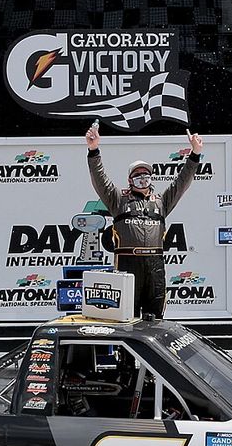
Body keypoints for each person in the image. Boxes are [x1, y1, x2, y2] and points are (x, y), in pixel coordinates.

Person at [85, 123, 203, 318]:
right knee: (126, 316)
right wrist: (93, 150)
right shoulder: (118, 200)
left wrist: (195, 154)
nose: (142, 177)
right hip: (127, 264)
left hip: (155, 264)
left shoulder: (161, 201)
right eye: (137, 175)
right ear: (130, 180)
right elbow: (100, 179)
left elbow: (182, 182)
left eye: (146, 174)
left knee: (155, 316)